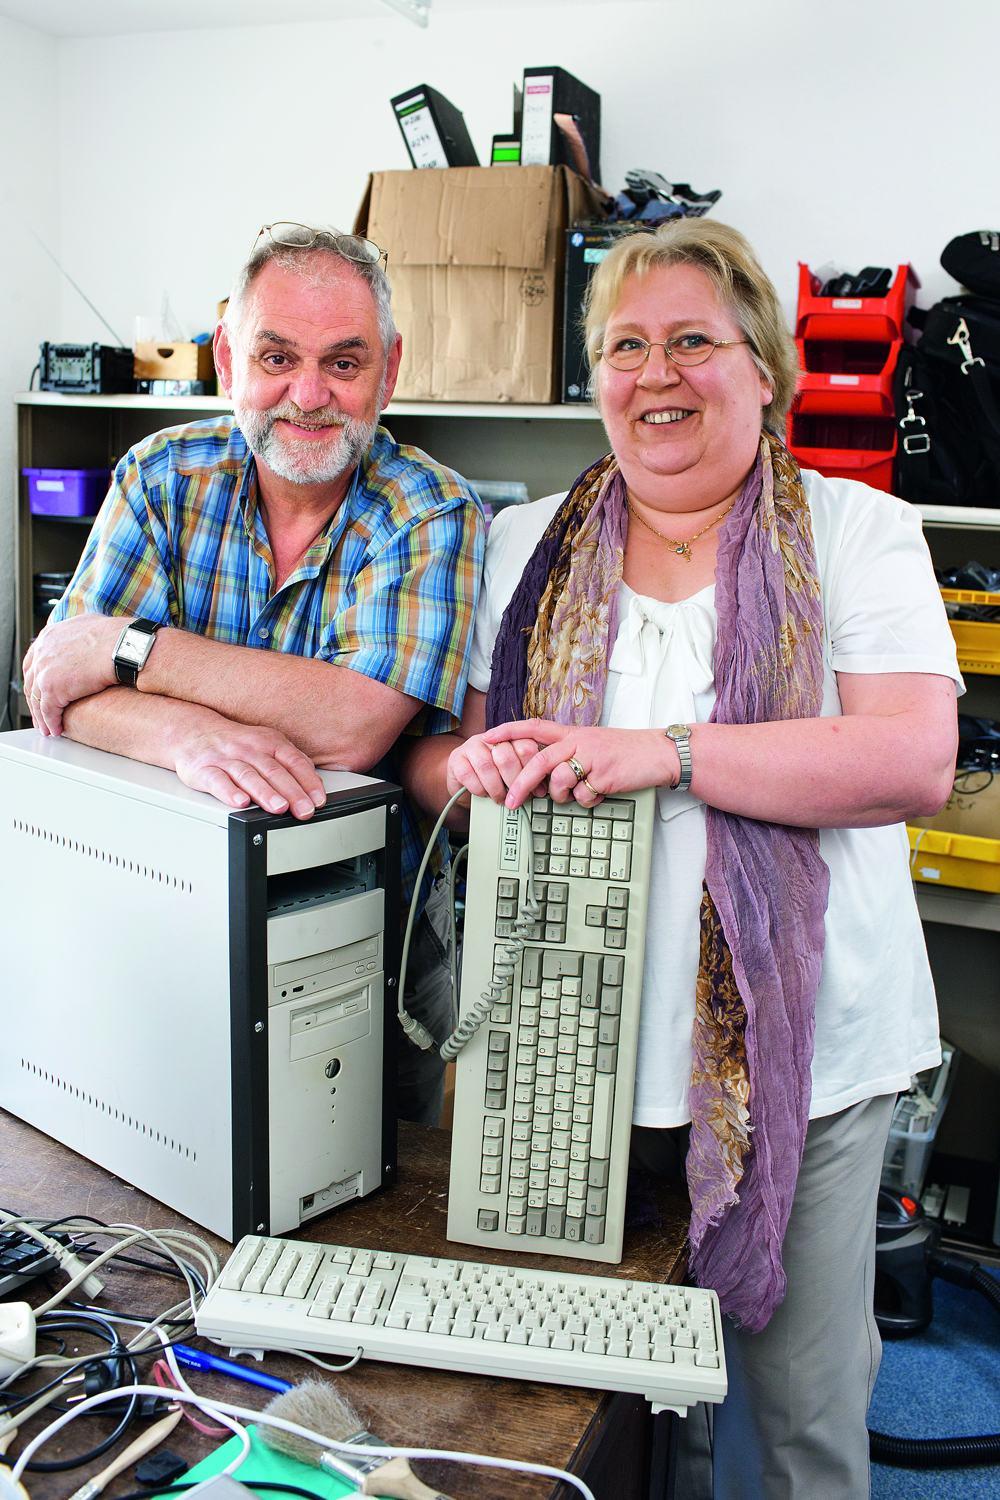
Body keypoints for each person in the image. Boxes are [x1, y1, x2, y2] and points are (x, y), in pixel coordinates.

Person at [404, 219, 961, 1497]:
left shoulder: (859, 533)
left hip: (803, 1059)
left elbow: (909, 762)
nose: (656, 374)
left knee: (801, 1410)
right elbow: (436, 759)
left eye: (693, 342)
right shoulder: (522, 546)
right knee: (606, 1400)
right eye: (625, 346)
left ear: (763, 368)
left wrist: (670, 750)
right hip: (566, 1043)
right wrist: (478, 768)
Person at [22, 222, 485, 1126]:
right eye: (277, 356)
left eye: (343, 364)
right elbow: (57, 686)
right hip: (156, 930)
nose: (307, 396)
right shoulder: (160, 474)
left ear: (389, 372)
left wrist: (136, 652)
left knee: (361, 1204)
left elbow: (353, 726)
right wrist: (191, 734)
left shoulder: (430, 512)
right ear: (228, 356)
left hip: (363, 954)